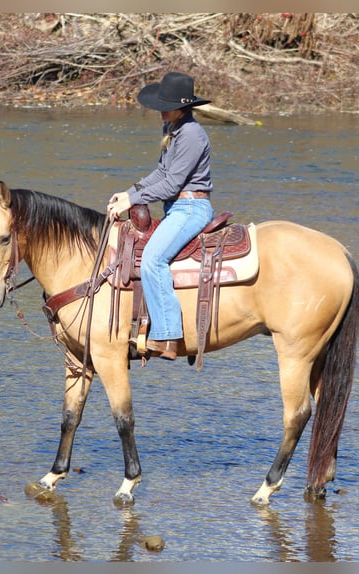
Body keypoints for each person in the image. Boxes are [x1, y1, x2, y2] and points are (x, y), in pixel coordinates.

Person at [107, 71, 214, 360]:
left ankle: (168, 338)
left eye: (165, 105)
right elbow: (160, 173)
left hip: (191, 207)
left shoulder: (191, 134)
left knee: (153, 259)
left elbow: (172, 184)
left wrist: (132, 198)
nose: (160, 111)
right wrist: (128, 192)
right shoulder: (173, 128)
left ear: (182, 107)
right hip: (176, 207)